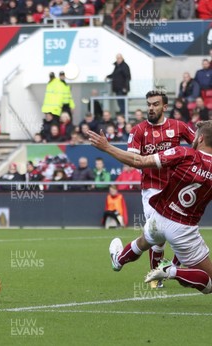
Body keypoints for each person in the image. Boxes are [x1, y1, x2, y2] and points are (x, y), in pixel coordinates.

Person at [89, 121, 212, 296]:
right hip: (183, 229)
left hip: (159, 217)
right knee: (209, 282)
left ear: (200, 138)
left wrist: (107, 147)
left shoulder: (184, 153)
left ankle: (118, 261)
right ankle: (171, 271)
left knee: (142, 243)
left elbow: (140, 161)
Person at [127, 90, 195, 287]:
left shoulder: (179, 126)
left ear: (165, 107)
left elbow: (199, 145)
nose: (151, 108)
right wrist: (157, 160)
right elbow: (133, 160)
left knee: (177, 233)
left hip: (175, 188)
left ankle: (167, 270)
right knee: (158, 233)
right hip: (151, 188)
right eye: (149, 104)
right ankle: (158, 277)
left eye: (155, 104)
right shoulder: (138, 130)